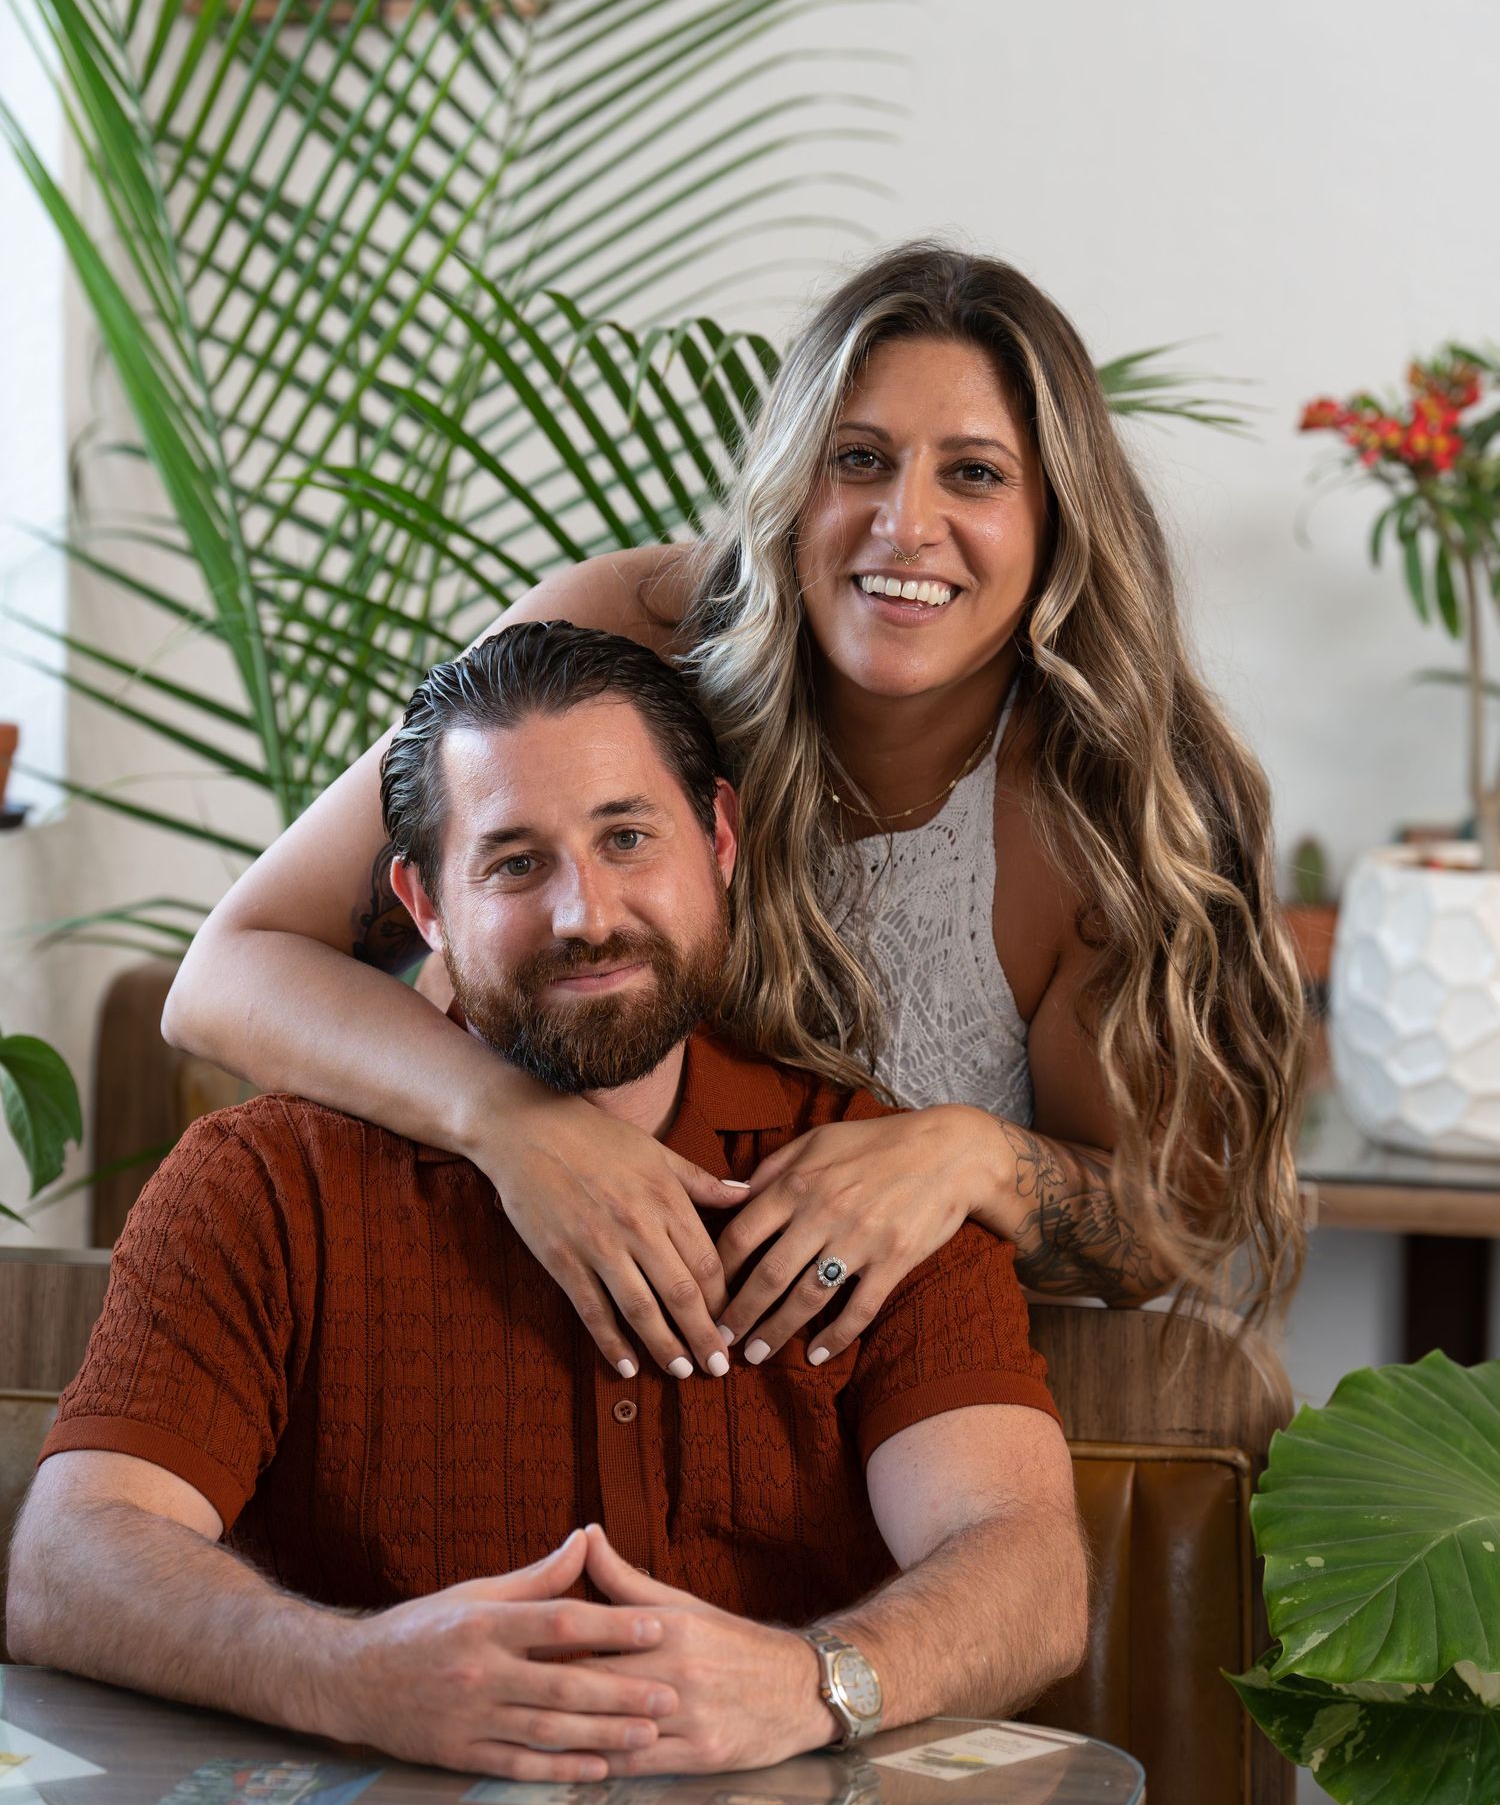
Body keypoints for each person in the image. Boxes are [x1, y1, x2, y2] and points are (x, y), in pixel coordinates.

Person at [161, 243, 1307, 1383]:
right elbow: (229, 971)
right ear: (791, 483)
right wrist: (512, 1123)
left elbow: (1160, 1233)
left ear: (1059, 517)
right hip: (513, 1344)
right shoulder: (629, 632)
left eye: (973, 474)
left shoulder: (1110, 809)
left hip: (872, 1417)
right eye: (858, 459)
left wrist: (971, 1160)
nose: (904, 525)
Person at [8, 624, 1087, 1783]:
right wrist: (347, 1671)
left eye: (628, 837)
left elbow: (1029, 1569)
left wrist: (812, 1682)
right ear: (423, 903)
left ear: (719, 838)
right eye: (515, 863)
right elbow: (67, 1563)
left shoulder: (866, 1176)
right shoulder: (267, 1185)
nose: (585, 913)